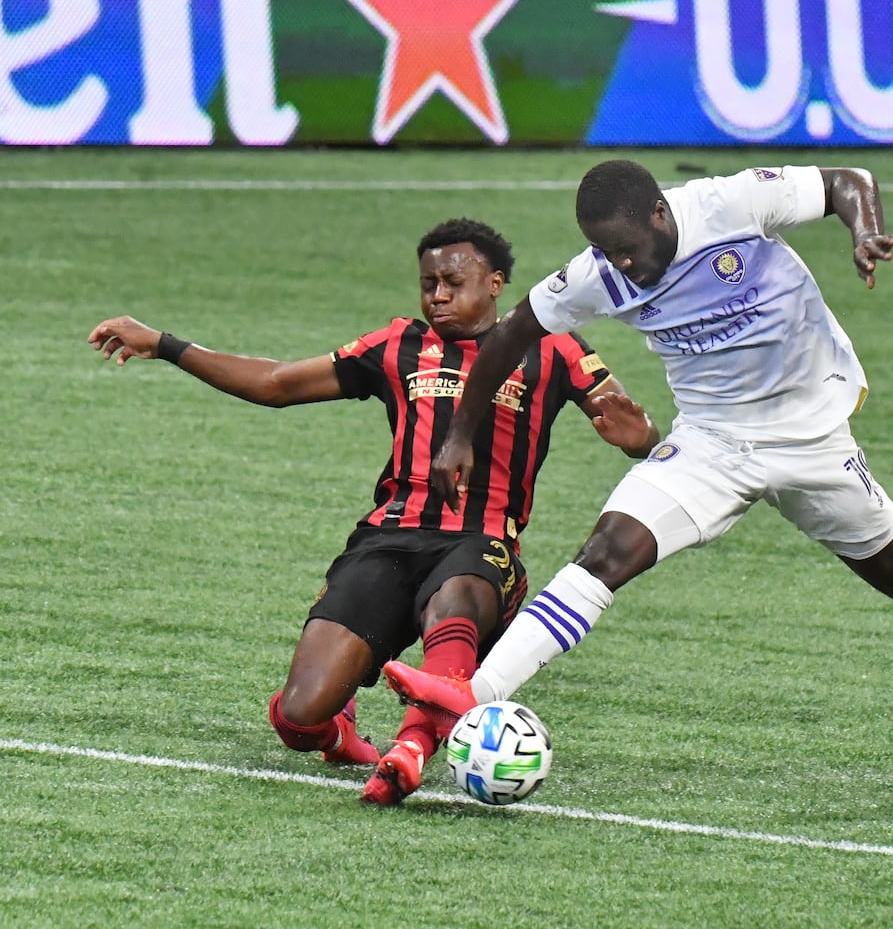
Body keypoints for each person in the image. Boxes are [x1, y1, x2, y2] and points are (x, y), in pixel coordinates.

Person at [383, 162, 893, 748]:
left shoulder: (729, 204)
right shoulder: (594, 276)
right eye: (606, 253)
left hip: (809, 434)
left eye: (629, 249)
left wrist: (862, 230)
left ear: (660, 214)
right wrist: (459, 432)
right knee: (606, 553)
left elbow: (847, 182)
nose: (623, 266)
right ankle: (479, 692)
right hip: (710, 442)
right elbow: (512, 334)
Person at [88, 218, 659, 805]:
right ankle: (339, 731)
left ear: (496, 283)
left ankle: (410, 747)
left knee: (458, 596)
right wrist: (164, 344)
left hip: (481, 548)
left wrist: (638, 437)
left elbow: (640, 432)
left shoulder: (554, 347)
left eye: (452, 282)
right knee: (297, 718)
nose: (437, 295)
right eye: (427, 283)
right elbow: (277, 383)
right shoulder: (397, 346)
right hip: (388, 542)